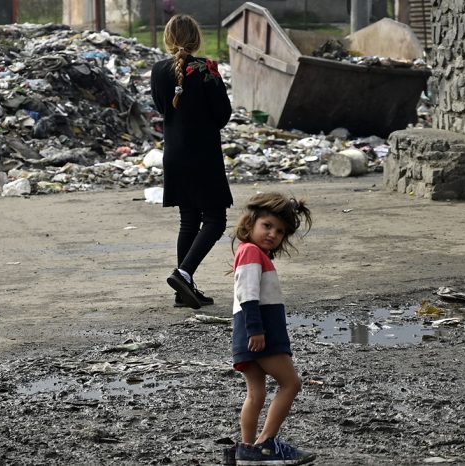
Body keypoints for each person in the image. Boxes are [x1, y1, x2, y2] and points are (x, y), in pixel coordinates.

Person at [150, 15, 233, 310]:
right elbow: (223, 114)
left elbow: (162, 108)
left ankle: (184, 291)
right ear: (196, 39)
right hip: (203, 155)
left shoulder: (158, 70)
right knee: (215, 219)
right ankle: (183, 274)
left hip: (174, 154)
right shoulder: (206, 70)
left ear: (168, 38)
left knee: (189, 220)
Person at [229, 192, 316, 465]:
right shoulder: (252, 252)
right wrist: (257, 330)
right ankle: (265, 443)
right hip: (260, 332)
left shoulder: (251, 253)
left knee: (256, 393)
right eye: (267, 226)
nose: (272, 234)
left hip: (247, 333)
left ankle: (246, 450)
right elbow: (248, 295)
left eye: (279, 231)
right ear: (251, 222)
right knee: (291, 383)